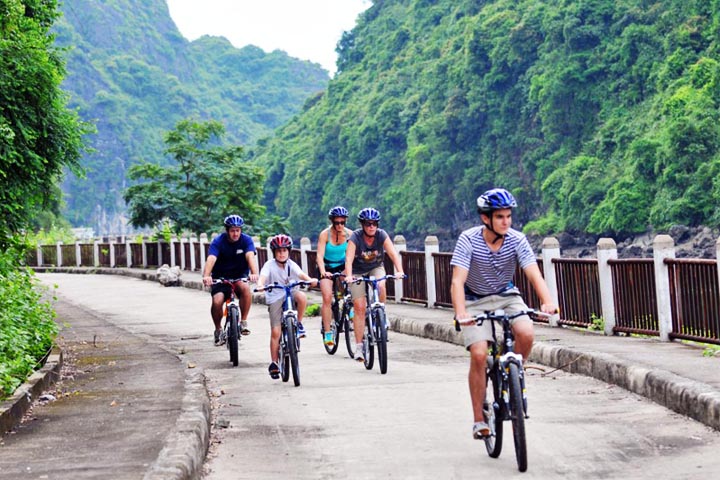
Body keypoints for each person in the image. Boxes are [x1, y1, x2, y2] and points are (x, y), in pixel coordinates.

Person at [450, 188, 557, 440]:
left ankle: (514, 376)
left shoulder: (517, 240)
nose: (506, 222)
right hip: (473, 299)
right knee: (478, 354)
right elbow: (457, 281)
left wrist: (547, 301)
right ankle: (479, 419)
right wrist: (461, 312)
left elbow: (533, 272)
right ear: (486, 218)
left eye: (508, 216)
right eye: (500, 217)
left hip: (507, 295)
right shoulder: (468, 239)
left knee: (527, 333)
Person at [344, 207, 404, 363]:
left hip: (375, 267)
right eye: (368, 224)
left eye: (374, 224)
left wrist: (400, 271)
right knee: (359, 307)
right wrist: (349, 276)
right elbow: (349, 258)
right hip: (357, 271)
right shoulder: (356, 237)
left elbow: (392, 254)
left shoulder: (381, 235)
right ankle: (359, 347)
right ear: (362, 225)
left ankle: (381, 312)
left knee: (381, 285)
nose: (371, 227)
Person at [257, 234, 318, 379]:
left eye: (284, 250)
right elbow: (263, 277)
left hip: (291, 292)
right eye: (278, 251)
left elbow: (301, 274)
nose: (282, 253)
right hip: (275, 296)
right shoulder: (269, 265)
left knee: (302, 297)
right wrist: (260, 285)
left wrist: (310, 280)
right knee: (276, 332)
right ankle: (274, 363)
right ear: (274, 252)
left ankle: (299, 323)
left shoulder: (291, 264)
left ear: (289, 251)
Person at [202, 214, 259, 344]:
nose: (235, 233)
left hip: (239, 275)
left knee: (245, 288)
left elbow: (250, 256)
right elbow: (211, 258)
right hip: (220, 277)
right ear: (227, 230)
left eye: (238, 230)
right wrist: (207, 275)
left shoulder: (246, 240)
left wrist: (254, 273)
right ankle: (218, 329)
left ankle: (243, 322)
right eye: (232, 230)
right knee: (217, 301)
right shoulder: (218, 241)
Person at [316, 205, 352, 347]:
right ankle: (328, 332)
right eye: (336, 223)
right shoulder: (325, 234)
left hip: (342, 266)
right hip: (327, 266)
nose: (339, 225)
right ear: (332, 222)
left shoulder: (350, 234)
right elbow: (319, 255)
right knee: (327, 297)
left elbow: (352, 255)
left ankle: (348, 306)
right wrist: (323, 271)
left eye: (342, 222)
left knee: (350, 285)